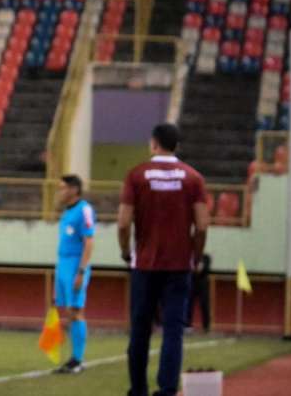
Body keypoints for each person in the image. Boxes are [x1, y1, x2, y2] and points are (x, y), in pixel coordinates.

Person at [118, 123, 209, 396]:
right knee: (173, 330)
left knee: (140, 330)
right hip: (179, 265)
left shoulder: (136, 175)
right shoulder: (194, 178)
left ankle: (138, 389)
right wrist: (196, 255)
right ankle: (167, 390)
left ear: (153, 143)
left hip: (144, 264)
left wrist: (126, 251)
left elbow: (123, 223)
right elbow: (202, 225)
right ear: (177, 146)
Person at [52, 174, 95, 375]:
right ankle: (74, 357)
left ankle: (77, 359)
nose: (60, 192)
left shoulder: (84, 210)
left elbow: (89, 241)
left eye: (63, 188)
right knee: (67, 311)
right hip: (62, 265)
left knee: (76, 311)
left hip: (75, 265)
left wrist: (81, 271)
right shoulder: (66, 212)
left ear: (74, 190)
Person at [186, 253, 211, 332]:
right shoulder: (190, 257)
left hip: (202, 285)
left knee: (204, 304)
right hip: (192, 284)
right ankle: (187, 325)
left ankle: (206, 326)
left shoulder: (206, 257)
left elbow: (204, 269)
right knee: (189, 304)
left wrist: (197, 269)